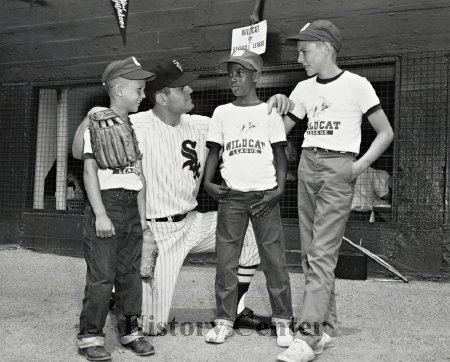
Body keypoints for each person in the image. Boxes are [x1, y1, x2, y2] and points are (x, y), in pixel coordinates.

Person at [72, 58, 294, 337]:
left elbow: (255, 128)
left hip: (193, 222)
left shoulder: (202, 125)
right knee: (153, 327)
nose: (190, 90)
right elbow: (81, 153)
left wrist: (276, 102)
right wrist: (91, 116)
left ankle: (235, 312)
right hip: (157, 231)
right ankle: (119, 294)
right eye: (181, 87)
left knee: (250, 233)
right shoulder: (135, 124)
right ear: (162, 97)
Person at [277, 20, 394, 362]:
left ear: (326, 48)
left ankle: (307, 335)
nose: (300, 58)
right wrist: (278, 104)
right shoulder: (302, 89)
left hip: (339, 166)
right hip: (308, 165)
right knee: (310, 251)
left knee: (322, 252)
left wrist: (358, 166)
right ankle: (326, 328)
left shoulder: (357, 85)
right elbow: (279, 131)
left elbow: (385, 132)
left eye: (305, 50)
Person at [202, 50, 294, 347]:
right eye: (230, 73)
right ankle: (224, 320)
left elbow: (280, 153)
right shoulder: (222, 112)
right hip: (232, 196)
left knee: (274, 259)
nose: (233, 78)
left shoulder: (269, 111)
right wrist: (207, 182)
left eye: (240, 72)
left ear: (257, 76)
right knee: (226, 261)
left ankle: (283, 321)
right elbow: (214, 151)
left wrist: (279, 189)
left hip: (265, 195)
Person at [76, 57, 155, 361]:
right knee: (102, 277)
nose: (143, 95)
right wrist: (100, 214)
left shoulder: (130, 126)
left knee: (130, 275)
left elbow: (139, 175)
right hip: (106, 204)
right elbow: (89, 172)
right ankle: (90, 337)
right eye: (139, 89)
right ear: (119, 89)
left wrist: (143, 218)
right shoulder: (97, 124)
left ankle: (131, 332)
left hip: (131, 207)